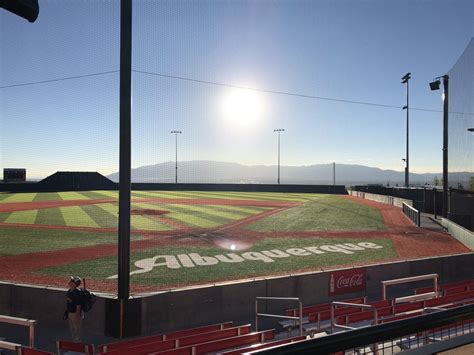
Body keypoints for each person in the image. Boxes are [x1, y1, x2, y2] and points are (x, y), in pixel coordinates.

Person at [65, 276, 83, 342]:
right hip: (70, 313)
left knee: (77, 331)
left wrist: (77, 316)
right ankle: (73, 344)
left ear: (74, 284)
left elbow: (78, 305)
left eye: (71, 281)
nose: (69, 281)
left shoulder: (78, 293)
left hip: (75, 314)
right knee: (72, 329)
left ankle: (78, 345)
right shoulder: (69, 291)